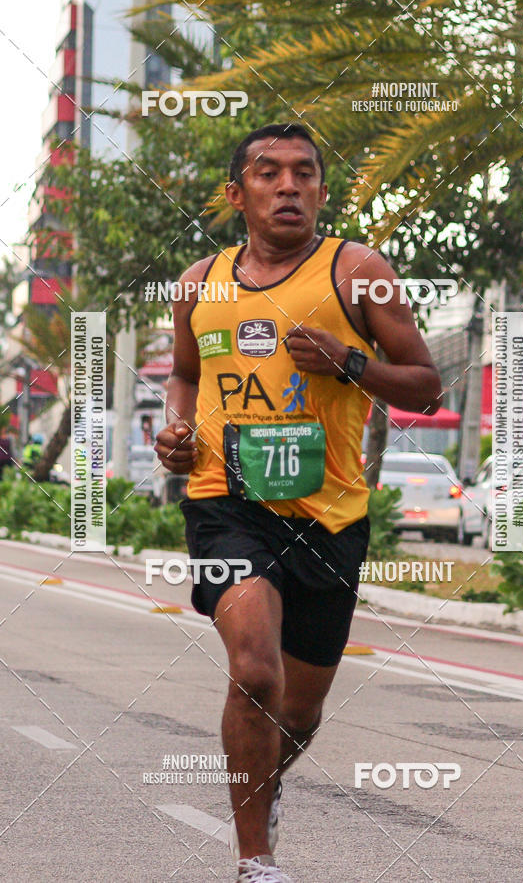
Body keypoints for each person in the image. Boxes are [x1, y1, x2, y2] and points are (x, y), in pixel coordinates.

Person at [155, 123, 442, 883]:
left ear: (320, 188)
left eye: (305, 174)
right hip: (227, 501)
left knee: (302, 712)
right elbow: (184, 372)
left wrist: (351, 361)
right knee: (255, 670)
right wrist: (177, 428)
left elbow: (424, 381)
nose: (289, 186)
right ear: (235, 193)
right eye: (269, 173)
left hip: (330, 515)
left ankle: (266, 783)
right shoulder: (197, 283)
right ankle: (257, 861)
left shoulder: (359, 272)